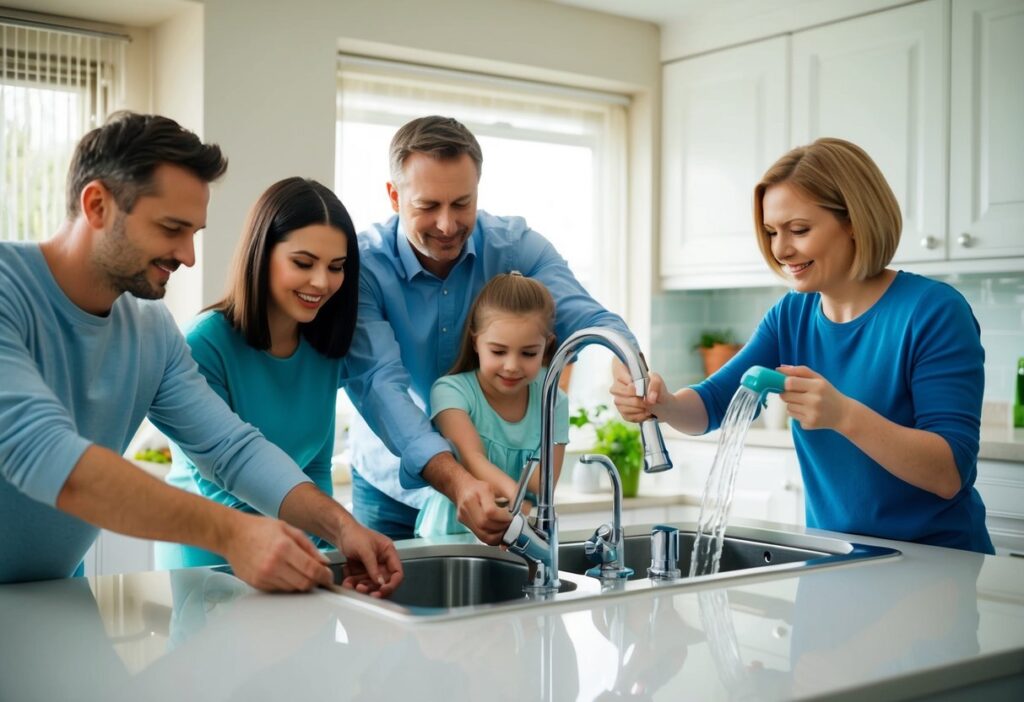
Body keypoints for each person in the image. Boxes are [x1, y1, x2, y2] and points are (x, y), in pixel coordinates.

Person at [0, 112, 402, 593]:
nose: (188, 255)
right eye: (172, 228)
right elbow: (43, 454)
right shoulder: (8, 291)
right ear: (97, 205)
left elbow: (231, 449)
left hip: (56, 588)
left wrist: (343, 528)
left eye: (194, 232)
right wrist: (232, 534)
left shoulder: (152, 331)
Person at [612, 137, 993, 554]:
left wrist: (843, 415)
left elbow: (949, 471)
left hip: (934, 567)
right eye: (772, 232)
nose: (780, 249)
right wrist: (663, 404)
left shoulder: (933, 312)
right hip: (836, 558)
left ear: (853, 220)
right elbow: (711, 405)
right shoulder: (791, 316)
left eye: (799, 230)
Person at [343, 115, 637, 543]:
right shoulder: (364, 266)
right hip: (390, 487)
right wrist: (456, 479)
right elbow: (378, 384)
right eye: (428, 206)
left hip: (500, 493)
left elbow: (587, 316)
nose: (447, 225)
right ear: (394, 195)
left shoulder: (515, 246)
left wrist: (625, 358)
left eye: (462, 203)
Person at [154, 177, 386, 573]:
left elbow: (314, 469)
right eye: (303, 263)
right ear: (261, 254)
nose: (321, 282)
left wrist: (327, 555)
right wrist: (308, 547)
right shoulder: (205, 344)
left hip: (293, 552)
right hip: (208, 559)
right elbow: (219, 487)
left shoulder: (324, 348)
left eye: (336, 267)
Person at [416, 272, 569, 537]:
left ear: (547, 347)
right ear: (476, 341)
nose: (511, 366)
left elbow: (543, 484)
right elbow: (472, 458)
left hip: (516, 530)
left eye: (528, 353)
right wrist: (516, 498)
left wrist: (517, 506)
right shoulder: (450, 391)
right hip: (452, 531)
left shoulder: (552, 398)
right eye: (498, 351)